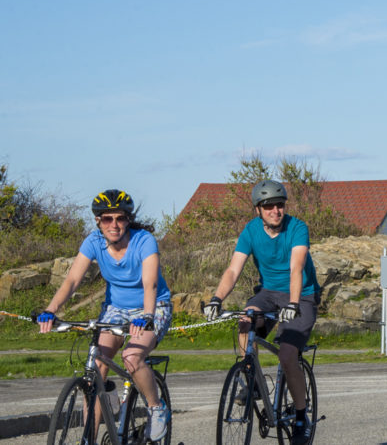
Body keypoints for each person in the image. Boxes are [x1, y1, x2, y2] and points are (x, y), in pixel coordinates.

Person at [37, 189, 172, 442]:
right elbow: (72, 280)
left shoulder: (144, 241)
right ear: (98, 221)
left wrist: (147, 315)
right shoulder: (93, 242)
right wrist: (50, 310)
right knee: (97, 366)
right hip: (115, 308)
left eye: (120, 218)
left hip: (153, 306)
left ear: (128, 220)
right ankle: (92, 435)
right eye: (107, 219)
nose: (114, 224)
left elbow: (150, 284)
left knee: (132, 356)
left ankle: (156, 408)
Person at [204, 179, 321, 445]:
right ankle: (253, 382)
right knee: (245, 319)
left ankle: (302, 417)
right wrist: (216, 299)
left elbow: (296, 268)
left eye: (279, 205)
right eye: (268, 207)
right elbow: (234, 270)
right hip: (268, 293)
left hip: (300, 295)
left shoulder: (297, 228)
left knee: (288, 355)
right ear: (258, 209)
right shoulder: (251, 230)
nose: (275, 211)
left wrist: (292, 304)